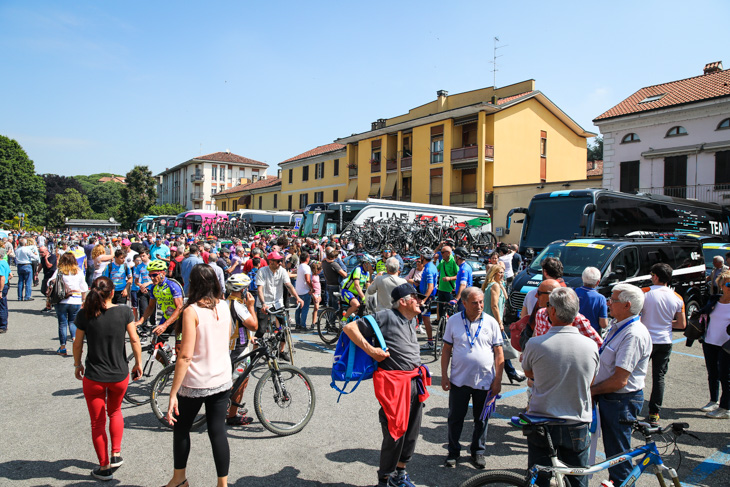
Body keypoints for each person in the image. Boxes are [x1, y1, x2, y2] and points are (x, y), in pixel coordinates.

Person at [343, 283, 430, 487]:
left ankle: (400, 472)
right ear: (403, 301)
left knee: (411, 432)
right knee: (394, 432)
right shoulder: (386, 316)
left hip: (414, 381)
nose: (419, 301)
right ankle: (385, 478)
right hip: (395, 386)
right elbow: (350, 328)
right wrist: (372, 351)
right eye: (414, 298)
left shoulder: (411, 318)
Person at [163, 265, 233, 487]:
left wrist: (173, 392)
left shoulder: (192, 310)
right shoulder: (224, 305)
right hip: (221, 377)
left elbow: (185, 355)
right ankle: (222, 484)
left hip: (195, 380)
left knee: (182, 428)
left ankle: (179, 478)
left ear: (192, 284)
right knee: (217, 431)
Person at [522, 287, 599, 487]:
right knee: (577, 479)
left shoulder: (536, 344)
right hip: (577, 420)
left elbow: (530, 374)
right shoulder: (590, 345)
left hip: (543, 419)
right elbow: (590, 380)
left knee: (539, 479)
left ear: (553, 311)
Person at [73, 276, 142, 481]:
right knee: (115, 411)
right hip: (119, 373)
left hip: (94, 375)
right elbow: (134, 339)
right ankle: (116, 453)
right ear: (112, 292)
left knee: (97, 422)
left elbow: (77, 343)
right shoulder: (124, 311)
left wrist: (77, 364)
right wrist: (138, 363)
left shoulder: (85, 314)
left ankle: (104, 467)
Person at [591, 284, 651, 485]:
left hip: (620, 401)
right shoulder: (619, 326)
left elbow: (619, 380)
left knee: (619, 457)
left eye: (613, 300)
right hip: (612, 398)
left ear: (627, 305)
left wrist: (591, 391)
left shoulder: (633, 334)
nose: (608, 302)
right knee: (614, 454)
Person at [441, 287, 504, 469]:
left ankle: (478, 451)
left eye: (481, 302)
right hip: (459, 381)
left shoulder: (491, 322)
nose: (479, 306)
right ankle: (453, 452)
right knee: (455, 418)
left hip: (485, 382)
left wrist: (498, 380)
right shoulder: (453, 321)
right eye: (475, 302)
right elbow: (446, 350)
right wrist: (444, 375)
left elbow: (499, 354)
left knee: (482, 418)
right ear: (464, 303)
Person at [641, 263, 686, 425]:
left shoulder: (645, 293)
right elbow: (682, 324)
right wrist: (666, 322)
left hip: (647, 340)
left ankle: (633, 407)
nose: (651, 277)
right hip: (665, 340)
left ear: (656, 276)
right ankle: (654, 413)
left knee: (637, 374)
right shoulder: (677, 297)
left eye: (652, 274)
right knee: (659, 377)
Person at [256, 251, 304, 361]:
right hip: (265, 303)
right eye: (278, 261)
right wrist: (263, 304)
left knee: (285, 328)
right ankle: (254, 354)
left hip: (278, 303)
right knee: (261, 330)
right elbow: (260, 289)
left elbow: (289, 285)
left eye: (281, 261)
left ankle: (281, 351)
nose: (280, 263)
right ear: (271, 262)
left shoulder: (282, 271)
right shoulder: (262, 271)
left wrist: (297, 298)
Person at [482, 264, 526, 384]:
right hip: (493, 322)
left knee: (498, 350)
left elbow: (506, 298)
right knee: (499, 350)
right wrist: (500, 322)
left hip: (490, 321)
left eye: (503, 272)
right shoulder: (494, 286)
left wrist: (501, 284)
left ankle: (511, 373)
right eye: (499, 273)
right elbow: (494, 306)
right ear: (493, 273)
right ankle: (508, 374)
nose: (502, 275)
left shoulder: (493, 285)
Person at [225, 274, 258, 426]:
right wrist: (251, 306)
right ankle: (231, 415)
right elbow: (254, 325)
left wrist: (250, 336)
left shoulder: (228, 302)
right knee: (240, 380)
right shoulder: (238, 305)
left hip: (231, 345)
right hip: (238, 348)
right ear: (243, 290)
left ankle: (228, 408)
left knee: (235, 380)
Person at [699, 269, 730, 419]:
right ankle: (713, 401)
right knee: (713, 374)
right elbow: (703, 313)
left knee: (726, 377)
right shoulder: (714, 299)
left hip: (727, 346)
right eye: (727, 284)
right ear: (721, 285)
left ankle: (725, 407)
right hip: (710, 341)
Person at [49, 252, 89, 355]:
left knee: (62, 323)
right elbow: (84, 287)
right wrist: (83, 300)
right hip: (75, 299)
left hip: (62, 300)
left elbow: (50, 282)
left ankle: (63, 347)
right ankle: (76, 342)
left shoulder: (59, 271)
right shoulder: (78, 271)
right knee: (73, 322)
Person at [134, 260, 184, 338]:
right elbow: (150, 307)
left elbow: (179, 307)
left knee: (179, 349)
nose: (152, 278)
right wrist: (140, 321)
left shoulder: (172, 285)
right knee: (155, 345)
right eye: (150, 275)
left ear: (163, 273)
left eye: (154, 275)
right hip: (167, 316)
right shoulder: (154, 287)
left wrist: (165, 325)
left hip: (179, 320)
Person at [340, 254, 376, 323]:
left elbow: (368, 286)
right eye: (372, 265)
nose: (373, 267)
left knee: (361, 310)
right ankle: (343, 320)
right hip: (347, 291)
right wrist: (363, 297)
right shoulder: (358, 269)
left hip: (356, 293)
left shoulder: (367, 273)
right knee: (356, 305)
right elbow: (356, 285)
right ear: (366, 263)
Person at [574, 267, 608, 334]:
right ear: (598, 282)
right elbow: (603, 324)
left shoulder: (573, 292)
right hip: (592, 334)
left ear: (582, 278)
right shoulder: (601, 298)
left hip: (575, 332)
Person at [419, 248, 439, 348]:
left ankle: (430, 342)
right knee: (425, 319)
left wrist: (423, 300)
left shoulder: (428, 269)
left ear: (423, 257)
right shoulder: (430, 266)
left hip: (427, 298)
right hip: (427, 296)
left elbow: (430, 286)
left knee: (426, 320)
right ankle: (430, 341)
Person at [294, 251, 313, 330]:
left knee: (298, 309)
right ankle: (302, 325)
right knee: (305, 309)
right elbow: (308, 279)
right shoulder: (306, 267)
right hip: (305, 291)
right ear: (307, 258)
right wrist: (312, 288)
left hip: (298, 290)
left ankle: (298, 324)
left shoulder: (300, 266)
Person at [39, 246, 57, 313]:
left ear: (46, 251)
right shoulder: (42, 257)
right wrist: (37, 272)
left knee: (48, 292)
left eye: (42, 252)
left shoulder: (52, 256)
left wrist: (46, 258)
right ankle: (52, 303)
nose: (41, 253)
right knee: (43, 290)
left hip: (51, 276)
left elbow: (49, 266)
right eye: (40, 252)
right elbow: (41, 265)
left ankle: (49, 306)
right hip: (46, 275)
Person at [0, 249, 11, 333]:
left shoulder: (0, 263)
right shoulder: (4, 262)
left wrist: (0, 290)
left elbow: (2, 277)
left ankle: (3, 326)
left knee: (2, 306)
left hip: (2, 287)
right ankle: (3, 324)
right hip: (5, 285)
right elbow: (10, 275)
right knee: (3, 305)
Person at [310, 260, 322, 325]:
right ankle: (313, 322)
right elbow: (311, 286)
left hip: (318, 293)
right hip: (315, 294)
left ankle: (314, 321)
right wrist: (313, 295)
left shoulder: (317, 276)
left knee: (316, 308)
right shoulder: (313, 277)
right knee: (316, 307)